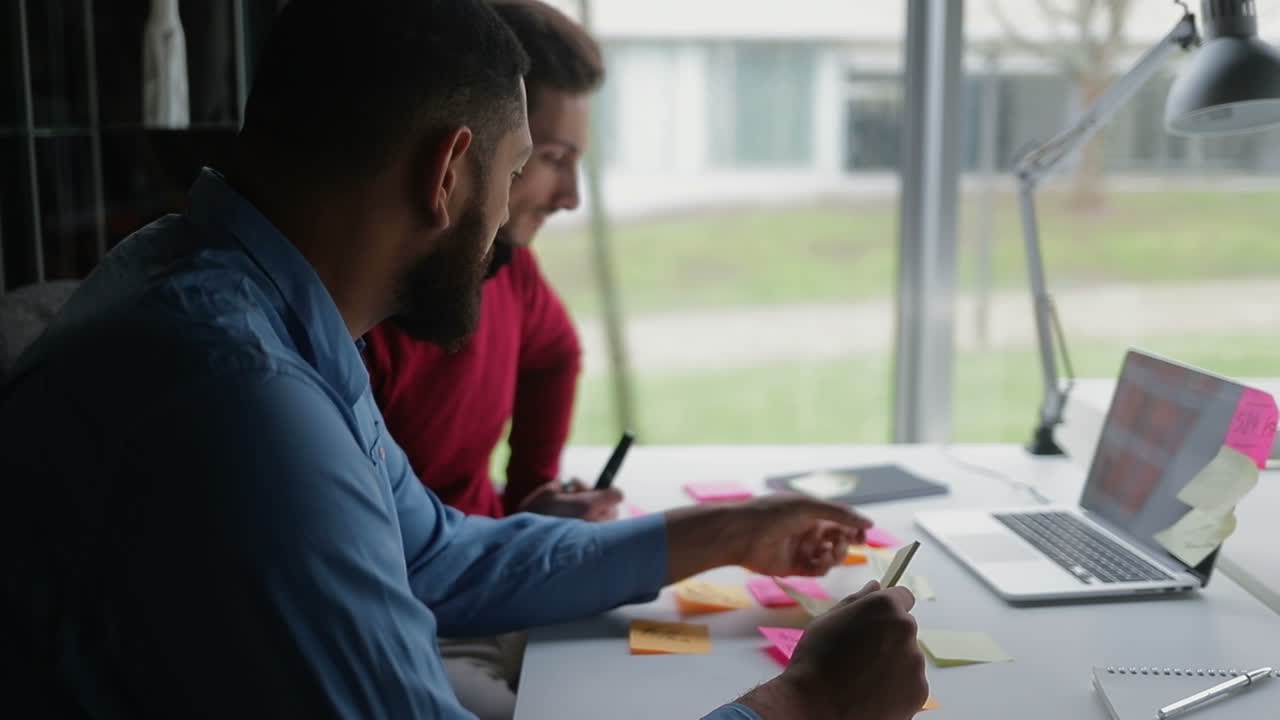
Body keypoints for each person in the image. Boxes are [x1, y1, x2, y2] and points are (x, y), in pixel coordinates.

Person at [0, 2, 928, 719]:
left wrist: (730, 532)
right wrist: (807, 703)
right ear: (447, 173)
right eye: (518, 166)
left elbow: (441, 557)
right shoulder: (238, 402)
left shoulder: (243, 297)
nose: (518, 214)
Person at [363, 0, 615, 524]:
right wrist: (526, 539)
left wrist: (531, 498)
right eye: (549, 158)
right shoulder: (366, 309)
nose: (570, 197)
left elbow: (556, 353)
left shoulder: (508, 268)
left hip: (480, 565)